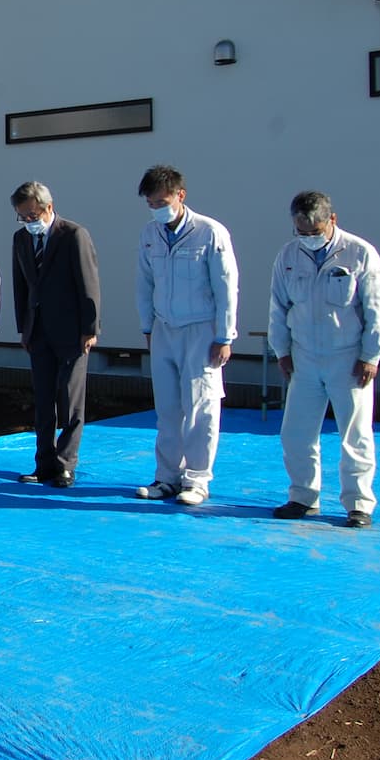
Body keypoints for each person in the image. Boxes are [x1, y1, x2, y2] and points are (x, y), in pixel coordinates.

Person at [268, 190, 380, 528]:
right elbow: (278, 307)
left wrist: (371, 355)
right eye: (301, 231)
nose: (308, 238)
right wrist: (282, 351)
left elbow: (376, 309)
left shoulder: (359, 253)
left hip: (348, 357)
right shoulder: (288, 255)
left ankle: (359, 503)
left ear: (332, 220)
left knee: (355, 432)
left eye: (314, 230)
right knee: (296, 432)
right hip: (304, 356)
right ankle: (303, 496)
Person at [133, 165, 239, 507]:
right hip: (165, 328)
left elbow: (226, 287)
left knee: (201, 408)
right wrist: (148, 326)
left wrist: (225, 335)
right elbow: (144, 283)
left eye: (162, 201)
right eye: (150, 203)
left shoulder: (210, 233)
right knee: (167, 408)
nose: (156, 209)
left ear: (181, 195)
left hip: (201, 329)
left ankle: (197, 479)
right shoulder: (150, 234)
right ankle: (167, 477)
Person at [8, 181, 100, 488]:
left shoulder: (74, 235)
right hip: (38, 331)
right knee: (43, 400)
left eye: (32, 215)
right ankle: (43, 463)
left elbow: (88, 283)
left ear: (48, 208)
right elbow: (20, 286)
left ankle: (65, 464)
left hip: (72, 331)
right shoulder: (21, 239)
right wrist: (24, 327)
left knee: (70, 400)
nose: (27, 222)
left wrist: (90, 328)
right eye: (22, 216)